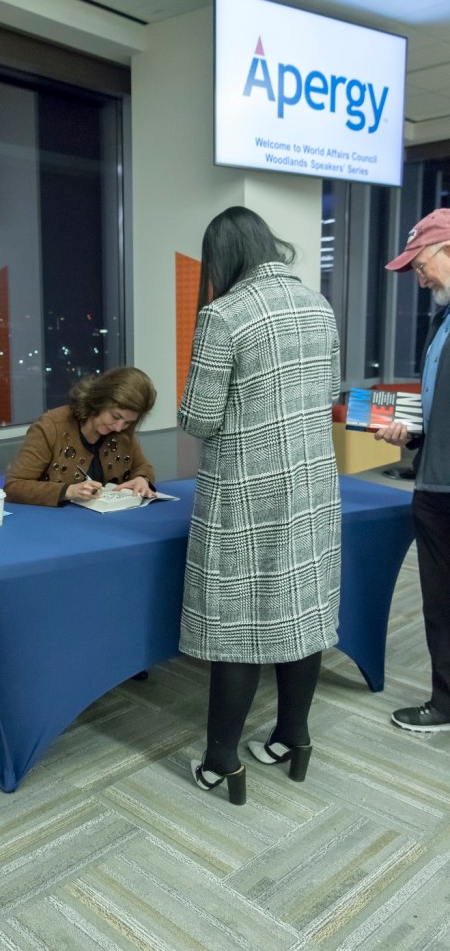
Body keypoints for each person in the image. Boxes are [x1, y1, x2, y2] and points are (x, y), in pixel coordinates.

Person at [178, 207, 341, 805]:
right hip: (312, 487)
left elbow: (198, 416)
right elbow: (328, 391)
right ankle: (292, 737)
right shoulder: (317, 306)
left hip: (245, 489)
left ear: (222, 258)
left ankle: (222, 759)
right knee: (300, 611)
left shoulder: (224, 314)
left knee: (237, 621)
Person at [376, 208, 450, 733]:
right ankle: (445, 702)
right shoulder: (441, 319)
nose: (419, 278)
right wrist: (413, 431)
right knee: (440, 604)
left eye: (422, 264)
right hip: (435, 482)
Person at [4, 366, 157, 506]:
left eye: (128, 422)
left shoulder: (124, 432)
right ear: (100, 400)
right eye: (115, 416)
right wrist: (68, 491)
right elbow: (13, 487)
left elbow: (142, 467)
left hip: (109, 521)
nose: (118, 427)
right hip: (54, 523)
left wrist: (141, 480)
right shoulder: (52, 427)